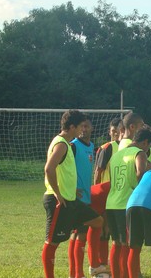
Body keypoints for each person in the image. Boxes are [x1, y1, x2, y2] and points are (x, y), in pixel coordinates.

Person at [41, 109, 103, 278]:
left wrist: (69, 188)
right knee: (52, 242)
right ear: (73, 127)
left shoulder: (66, 144)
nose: (81, 130)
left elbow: (63, 171)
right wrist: (58, 193)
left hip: (71, 200)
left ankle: (83, 270)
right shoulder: (61, 143)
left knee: (97, 221)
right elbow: (49, 168)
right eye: (79, 126)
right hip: (59, 201)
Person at [105, 128, 151, 278]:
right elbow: (140, 172)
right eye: (148, 146)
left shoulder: (116, 155)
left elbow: (112, 179)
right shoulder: (139, 153)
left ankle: (116, 275)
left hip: (111, 202)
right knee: (127, 244)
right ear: (145, 142)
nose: (148, 149)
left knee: (116, 243)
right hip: (126, 203)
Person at [89, 117, 123, 277]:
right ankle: (99, 264)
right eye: (114, 130)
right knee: (101, 229)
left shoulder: (125, 147)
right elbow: (98, 172)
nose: (116, 133)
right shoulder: (107, 147)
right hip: (104, 195)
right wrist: (97, 194)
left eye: (119, 130)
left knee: (110, 230)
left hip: (117, 195)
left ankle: (107, 264)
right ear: (110, 131)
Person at [68, 118, 95, 278]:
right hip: (76, 196)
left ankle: (75, 273)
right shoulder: (73, 146)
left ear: (92, 128)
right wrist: (71, 188)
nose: (84, 129)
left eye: (86, 126)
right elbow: (63, 167)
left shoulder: (92, 147)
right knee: (81, 233)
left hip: (86, 195)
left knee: (77, 233)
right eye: (81, 126)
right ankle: (78, 274)